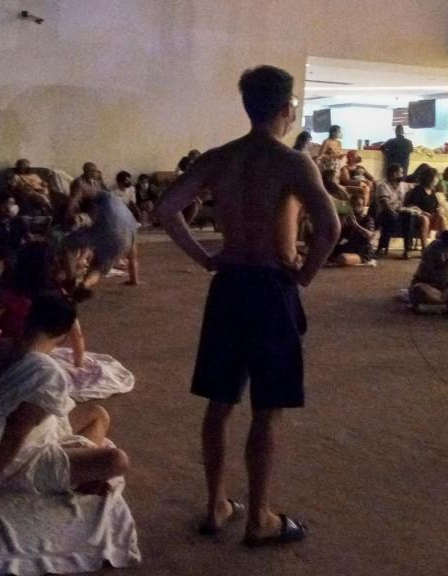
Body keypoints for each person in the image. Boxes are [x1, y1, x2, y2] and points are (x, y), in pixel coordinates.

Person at [156, 65, 340, 547]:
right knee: (267, 408)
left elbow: (165, 209)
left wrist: (204, 258)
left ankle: (216, 504)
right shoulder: (294, 163)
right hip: (271, 288)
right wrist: (305, 274)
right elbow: (330, 228)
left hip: (230, 284)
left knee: (220, 403)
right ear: (286, 109)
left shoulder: (218, 158)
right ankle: (259, 516)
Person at [0, 292, 129, 516]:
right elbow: (13, 436)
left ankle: (77, 467)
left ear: (29, 319)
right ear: (64, 335)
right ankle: (76, 475)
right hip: (10, 466)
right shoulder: (46, 373)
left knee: (97, 413)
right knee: (117, 460)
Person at [68, 166, 141, 287]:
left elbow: (80, 193)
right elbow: (133, 259)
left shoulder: (101, 195)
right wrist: (134, 281)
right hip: (121, 228)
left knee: (76, 247)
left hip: (108, 226)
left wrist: (71, 207)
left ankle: (77, 278)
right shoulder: (106, 196)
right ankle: (84, 284)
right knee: (97, 266)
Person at [374, 163, 418, 257]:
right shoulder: (383, 185)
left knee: (409, 216)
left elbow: (415, 185)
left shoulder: (402, 185)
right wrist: (394, 214)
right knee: (389, 216)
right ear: (394, 174)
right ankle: (382, 247)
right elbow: (385, 204)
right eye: (400, 172)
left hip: (399, 211)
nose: (402, 175)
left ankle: (407, 249)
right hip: (384, 212)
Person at [404, 166, 446, 251]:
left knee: (442, 218)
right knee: (425, 219)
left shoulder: (432, 192)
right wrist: (423, 212)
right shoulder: (418, 190)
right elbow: (411, 205)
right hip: (417, 217)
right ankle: (425, 248)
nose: (437, 180)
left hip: (431, 216)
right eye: (436, 178)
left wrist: (439, 210)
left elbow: (436, 206)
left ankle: (445, 245)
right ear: (429, 178)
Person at [329, 193, 375, 267]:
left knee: (343, 258)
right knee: (325, 252)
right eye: (353, 204)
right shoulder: (347, 218)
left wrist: (355, 225)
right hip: (349, 247)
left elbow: (370, 236)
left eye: (358, 204)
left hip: (362, 251)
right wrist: (341, 224)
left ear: (363, 206)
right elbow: (339, 238)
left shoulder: (367, 219)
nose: (355, 207)